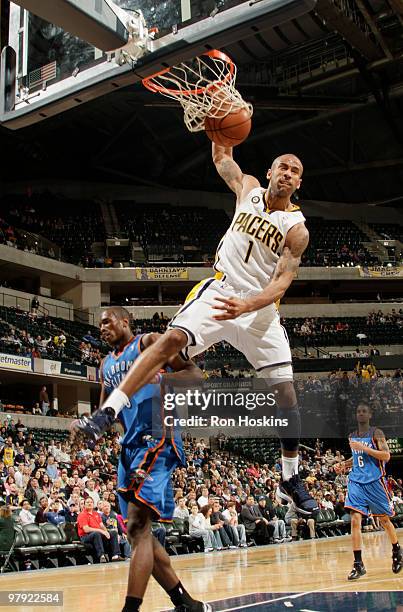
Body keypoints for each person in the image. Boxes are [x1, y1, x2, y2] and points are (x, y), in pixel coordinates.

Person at [73, 149, 317, 517]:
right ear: (270, 171)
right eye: (283, 166)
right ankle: (107, 412)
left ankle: (290, 476)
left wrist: (248, 306)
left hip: (259, 310)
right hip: (221, 290)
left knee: (286, 392)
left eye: (295, 171)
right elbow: (222, 159)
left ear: (298, 183)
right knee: (171, 340)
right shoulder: (248, 188)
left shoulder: (297, 230)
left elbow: (282, 282)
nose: (287, 173)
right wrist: (215, 120)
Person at [74, 307, 211, 612]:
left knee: (137, 526)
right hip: (129, 446)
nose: (102, 328)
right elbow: (105, 414)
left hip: (156, 436)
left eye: (107, 322)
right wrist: (87, 430)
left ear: (125, 322)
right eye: (99, 325)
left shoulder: (149, 343)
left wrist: (162, 381)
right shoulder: (106, 363)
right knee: (138, 532)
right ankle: (186, 602)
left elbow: (194, 376)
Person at [334, 402, 402, 580]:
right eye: (358, 411)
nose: (361, 414)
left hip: (375, 482)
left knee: (385, 521)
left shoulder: (376, 433)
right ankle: (358, 564)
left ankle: (396, 551)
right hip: (356, 481)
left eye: (364, 411)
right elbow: (357, 458)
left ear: (370, 415)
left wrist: (364, 448)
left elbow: (386, 456)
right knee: (355, 520)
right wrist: (344, 464)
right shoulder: (352, 436)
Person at [77, 497, 120, 563]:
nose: (89, 504)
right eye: (87, 502)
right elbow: (86, 529)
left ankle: (115, 556)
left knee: (113, 532)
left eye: (91, 502)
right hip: (85, 537)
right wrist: (100, 531)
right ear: (84, 505)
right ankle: (101, 556)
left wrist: (106, 532)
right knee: (96, 533)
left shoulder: (96, 514)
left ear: (93, 504)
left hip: (98, 534)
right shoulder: (82, 515)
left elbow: (102, 525)